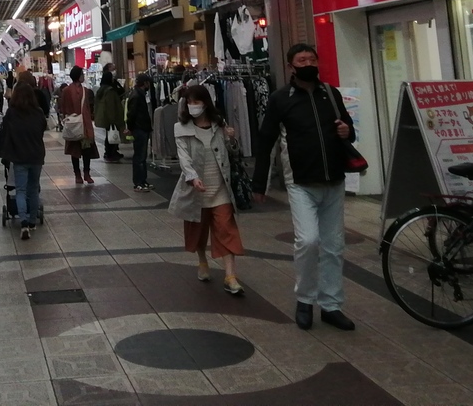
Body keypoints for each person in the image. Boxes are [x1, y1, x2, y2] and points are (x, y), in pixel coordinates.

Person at [253, 42, 356, 331]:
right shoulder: (280, 99)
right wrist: (259, 182)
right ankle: (305, 300)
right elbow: (266, 139)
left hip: (334, 179)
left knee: (334, 246)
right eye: (302, 60)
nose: (308, 63)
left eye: (312, 58)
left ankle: (331, 305)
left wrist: (347, 130)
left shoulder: (330, 94)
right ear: (291, 66)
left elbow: (347, 128)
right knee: (308, 241)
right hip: (300, 181)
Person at [168, 84, 244, 295]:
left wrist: (231, 138)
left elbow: (233, 151)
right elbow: (183, 157)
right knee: (198, 230)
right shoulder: (181, 128)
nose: (193, 106)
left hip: (220, 187)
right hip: (197, 190)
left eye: (197, 101)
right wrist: (192, 177)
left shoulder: (218, 124)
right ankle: (202, 260)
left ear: (206, 103)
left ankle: (230, 276)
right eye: (189, 102)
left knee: (226, 229)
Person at [0, 81, 48, 239]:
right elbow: (42, 129)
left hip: (19, 156)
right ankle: (32, 221)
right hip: (36, 156)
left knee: (21, 190)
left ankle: (23, 222)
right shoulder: (38, 112)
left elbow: (5, 132)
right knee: (33, 189)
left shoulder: (12, 113)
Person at [58, 65, 97, 184]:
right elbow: (64, 107)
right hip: (77, 124)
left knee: (84, 150)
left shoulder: (84, 91)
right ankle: (80, 174)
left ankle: (84, 173)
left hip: (81, 124)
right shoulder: (69, 91)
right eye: (82, 74)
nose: (83, 76)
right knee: (78, 150)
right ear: (78, 76)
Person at [126, 73, 154, 191]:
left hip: (142, 128)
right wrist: (130, 128)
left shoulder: (139, 94)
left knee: (142, 156)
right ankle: (138, 182)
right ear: (145, 83)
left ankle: (143, 181)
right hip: (139, 128)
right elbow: (131, 113)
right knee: (139, 156)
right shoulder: (137, 96)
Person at [94, 65, 125, 162]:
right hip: (111, 117)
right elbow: (111, 106)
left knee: (109, 135)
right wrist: (113, 120)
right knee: (112, 135)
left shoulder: (101, 89)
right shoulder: (110, 91)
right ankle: (110, 153)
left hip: (104, 116)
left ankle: (110, 152)